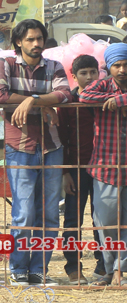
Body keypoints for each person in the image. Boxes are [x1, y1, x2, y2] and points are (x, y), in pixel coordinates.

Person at [0, 18, 72, 285]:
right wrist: (40, 102)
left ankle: (39, 269)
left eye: (39, 39)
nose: (36, 44)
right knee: (24, 212)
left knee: (49, 213)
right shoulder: (6, 63)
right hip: (20, 146)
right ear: (18, 42)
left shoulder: (54, 66)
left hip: (52, 146)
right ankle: (18, 268)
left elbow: (65, 94)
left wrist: (32, 100)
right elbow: (0, 96)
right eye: (30, 39)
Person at [78, 44, 127, 284]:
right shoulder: (102, 85)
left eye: (126, 65)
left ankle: (121, 270)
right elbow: (84, 96)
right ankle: (110, 268)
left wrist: (122, 100)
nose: (122, 70)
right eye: (117, 65)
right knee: (106, 222)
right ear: (108, 67)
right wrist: (114, 99)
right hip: (105, 165)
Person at [59, 53, 106, 284]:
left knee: (102, 219)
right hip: (77, 168)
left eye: (93, 72)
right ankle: (73, 268)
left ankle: (103, 265)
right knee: (72, 219)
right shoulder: (68, 102)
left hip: (104, 168)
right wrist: (65, 172)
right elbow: (62, 139)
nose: (89, 77)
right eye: (83, 73)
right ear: (74, 76)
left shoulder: (106, 99)